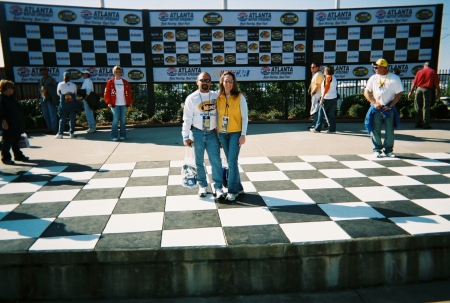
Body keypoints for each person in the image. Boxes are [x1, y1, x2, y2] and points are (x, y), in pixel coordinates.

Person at [181, 72, 225, 198]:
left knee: (216, 161)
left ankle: (218, 187)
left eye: (207, 80)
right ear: (197, 82)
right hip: (197, 133)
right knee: (198, 161)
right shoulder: (191, 98)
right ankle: (202, 185)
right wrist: (185, 136)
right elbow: (187, 119)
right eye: (202, 80)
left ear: (211, 82)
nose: (205, 82)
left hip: (212, 134)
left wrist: (221, 136)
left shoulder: (217, 96)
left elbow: (222, 116)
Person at [216, 71, 248, 201]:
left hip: (236, 133)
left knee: (232, 162)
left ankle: (232, 190)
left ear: (233, 83)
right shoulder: (218, 97)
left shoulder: (240, 96)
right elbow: (217, 116)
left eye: (230, 81)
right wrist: (218, 135)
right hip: (223, 134)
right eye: (226, 81)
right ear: (222, 82)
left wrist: (243, 134)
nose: (228, 83)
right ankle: (239, 187)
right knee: (230, 161)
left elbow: (245, 117)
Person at [364, 58, 403, 158]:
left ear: (383, 67)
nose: (375, 69)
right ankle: (376, 149)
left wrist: (391, 105)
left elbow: (399, 94)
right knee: (375, 129)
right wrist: (374, 102)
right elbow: (366, 92)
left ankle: (388, 150)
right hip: (376, 108)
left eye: (376, 67)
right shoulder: (373, 78)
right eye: (374, 67)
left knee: (389, 130)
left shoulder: (394, 78)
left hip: (388, 108)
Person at [0, 80, 29, 165]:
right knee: (7, 141)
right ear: (6, 88)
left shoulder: (12, 98)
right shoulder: (2, 99)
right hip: (9, 123)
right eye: (12, 88)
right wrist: (4, 122)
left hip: (16, 123)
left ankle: (18, 155)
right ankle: (5, 158)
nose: (13, 90)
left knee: (16, 140)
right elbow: (1, 112)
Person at [407, 62, 440, 129]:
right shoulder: (433, 72)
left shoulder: (419, 72)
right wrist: (439, 92)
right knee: (426, 107)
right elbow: (436, 84)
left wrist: (411, 92)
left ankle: (418, 123)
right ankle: (426, 124)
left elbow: (414, 83)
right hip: (427, 90)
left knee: (418, 107)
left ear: (425, 65)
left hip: (418, 89)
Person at [104, 66, 133, 141]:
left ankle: (123, 135)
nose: (118, 73)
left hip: (123, 103)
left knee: (123, 120)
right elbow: (106, 93)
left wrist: (130, 102)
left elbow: (129, 93)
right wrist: (108, 102)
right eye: (116, 72)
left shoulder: (125, 82)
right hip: (114, 104)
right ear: (114, 72)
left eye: (119, 72)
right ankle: (114, 136)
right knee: (116, 119)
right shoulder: (110, 82)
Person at [311, 65, 338, 134]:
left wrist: (322, 98)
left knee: (321, 113)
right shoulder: (334, 77)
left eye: (325, 70)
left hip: (327, 98)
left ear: (327, 71)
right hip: (334, 97)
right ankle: (332, 129)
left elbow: (326, 88)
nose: (323, 71)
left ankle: (317, 128)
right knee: (331, 114)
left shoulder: (328, 78)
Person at [54, 72, 80, 139]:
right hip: (72, 103)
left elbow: (58, 93)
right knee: (72, 118)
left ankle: (60, 133)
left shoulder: (60, 84)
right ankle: (71, 133)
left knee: (62, 118)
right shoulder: (74, 85)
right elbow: (75, 93)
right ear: (70, 77)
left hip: (64, 103)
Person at [38, 66, 59, 135]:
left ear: (47, 71)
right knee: (46, 114)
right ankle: (49, 129)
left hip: (50, 99)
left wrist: (48, 89)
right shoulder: (40, 79)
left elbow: (55, 89)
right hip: (43, 98)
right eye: (42, 70)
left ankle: (54, 129)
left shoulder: (51, 79)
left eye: (44, 70)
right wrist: (39, 98)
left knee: (52, 114)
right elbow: (40, 89)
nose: (43, 72)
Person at [308, 62, 325, 129]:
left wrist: (312, 92)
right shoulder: (316, 74)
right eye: (311, 67)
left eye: (313, 67)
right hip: (316, 94)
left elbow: (318, 85)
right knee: (316, 110)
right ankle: (317, 123)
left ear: (318, 67)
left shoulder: (318, 75)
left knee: (315, 110)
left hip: (317, 94)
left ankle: (316, 124)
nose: (311, 68)